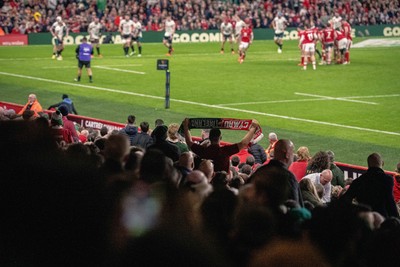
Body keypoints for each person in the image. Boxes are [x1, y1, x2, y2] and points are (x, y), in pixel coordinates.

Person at [183, 118, 259, 175]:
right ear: (220, 138)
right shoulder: (225, 151)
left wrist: (186, 127)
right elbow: (243, 144)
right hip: (222, 182)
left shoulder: (203, 151)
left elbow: (189, 142)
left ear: (209, 138)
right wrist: (253, 128)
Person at [342, 153, 399, 218]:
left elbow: (345, 199)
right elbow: (390, 202)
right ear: (382, 163)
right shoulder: (387, 180)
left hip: (364, 220)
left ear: (368, 165)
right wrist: (396, 220)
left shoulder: (359, 181)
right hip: (381, 219)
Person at [267, 139, 304, 207]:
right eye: (292, 152)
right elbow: (297, 209)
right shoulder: (289, 178)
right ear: (287, 154)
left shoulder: (260, 171)